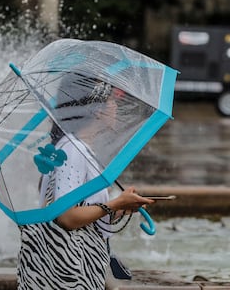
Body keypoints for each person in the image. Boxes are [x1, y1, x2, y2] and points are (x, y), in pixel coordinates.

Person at [17, 80, 154, 289]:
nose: (116, 106)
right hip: (67, 274)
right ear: (96, 111)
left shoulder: (77, 148)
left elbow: (84, 212)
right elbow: (67, 217)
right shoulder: (73, 151)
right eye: (112, 101)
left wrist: (123, 207)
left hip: (77, 269)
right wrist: (115, 204)